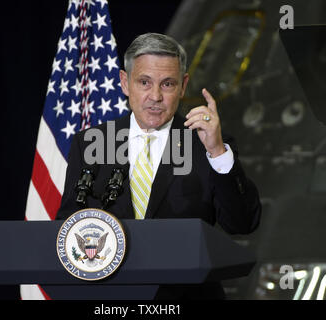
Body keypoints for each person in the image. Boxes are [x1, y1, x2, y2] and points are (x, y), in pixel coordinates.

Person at [56, 33, 261, 299]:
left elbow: (242, 223)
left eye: (167, 84)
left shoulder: (206, 144)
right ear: (124, 83)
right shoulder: (91, 144)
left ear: (183, 86)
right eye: (144, 82)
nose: (155, 96)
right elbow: (69, 224)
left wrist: (218, 151)